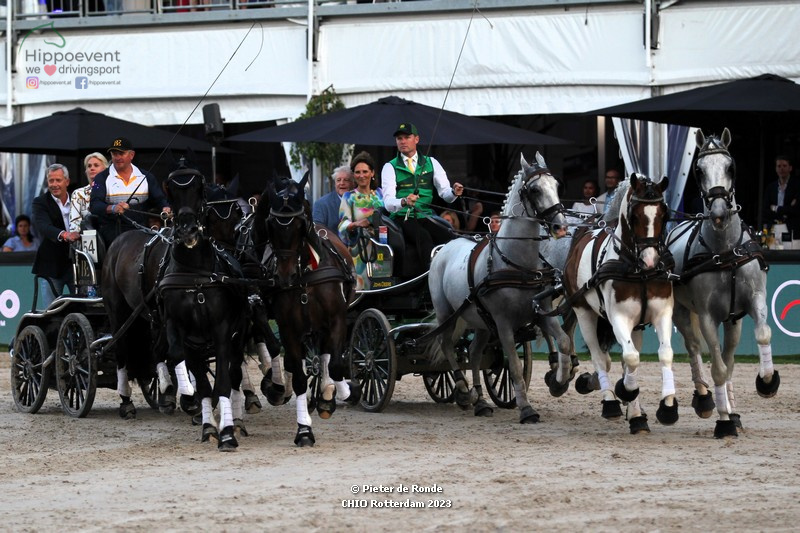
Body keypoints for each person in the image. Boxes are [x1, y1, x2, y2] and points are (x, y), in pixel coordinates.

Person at [380, 122, 464, 264]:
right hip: (403, 217)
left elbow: (446, 195)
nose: (403, 141)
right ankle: (429, 282)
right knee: (424, 239)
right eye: (399, 138)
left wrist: (454, 192)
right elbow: (388, 203)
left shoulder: (431, 163)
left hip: (425, 214)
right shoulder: (390, 167)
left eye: (407, 137)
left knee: (451, 237)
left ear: (416, 139)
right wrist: (404, 201)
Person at [90, 137, 171, 245]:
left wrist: (165, 207)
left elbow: (160, 199)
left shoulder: (146, 177)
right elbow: (94, 205)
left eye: (121, 153)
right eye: (114, 154)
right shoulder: (102, 178)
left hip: (142, 229)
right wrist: (113, 208)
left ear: (131, 155)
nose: (117, 157)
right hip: (113, 231)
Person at [32, 164, 80, 308]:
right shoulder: (40, 202)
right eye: (51, 181)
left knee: (82, 307)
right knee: (52, 311)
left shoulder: (78, 200)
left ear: (67, 181)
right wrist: (65, 234)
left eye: (58, 180)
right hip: (51, 265)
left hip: (77, 265)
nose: (54, 184)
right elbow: (43, 226)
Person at [338, 151, 384, 290]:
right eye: (357, 172)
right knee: (361, 290)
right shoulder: (349, 197)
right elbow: (342, 225)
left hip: (382, 249)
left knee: (383, 288)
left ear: (372, 173)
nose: (361, 175)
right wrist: (356, 224)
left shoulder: (381, 194)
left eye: (365, 171)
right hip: (359, 253)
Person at [69, 152, 109, 232]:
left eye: (96, 165)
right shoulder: (78, 194)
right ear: (86, 171)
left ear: (105, 169)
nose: (92, 168)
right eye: (89, 166)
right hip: (85, 238)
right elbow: (74, 223)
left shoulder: (112, 190)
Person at [764, 155, 800, 239]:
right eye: (779, 166)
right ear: (776, 169)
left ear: (790, 168)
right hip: (774, 228)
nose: (781, 169)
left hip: (793, 229)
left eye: (784, 166)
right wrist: (787, 210)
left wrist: (776, 208)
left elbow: (796, 209)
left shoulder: (797, 186)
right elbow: (765, 210)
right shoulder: (771, 187)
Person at [313, 166, 354, 233]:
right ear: (335, 184)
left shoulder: (360, 201)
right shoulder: (321, 204)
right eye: (338, 180)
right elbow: (318, 231)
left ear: (353, 183)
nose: (342, 183)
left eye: (346, 180)